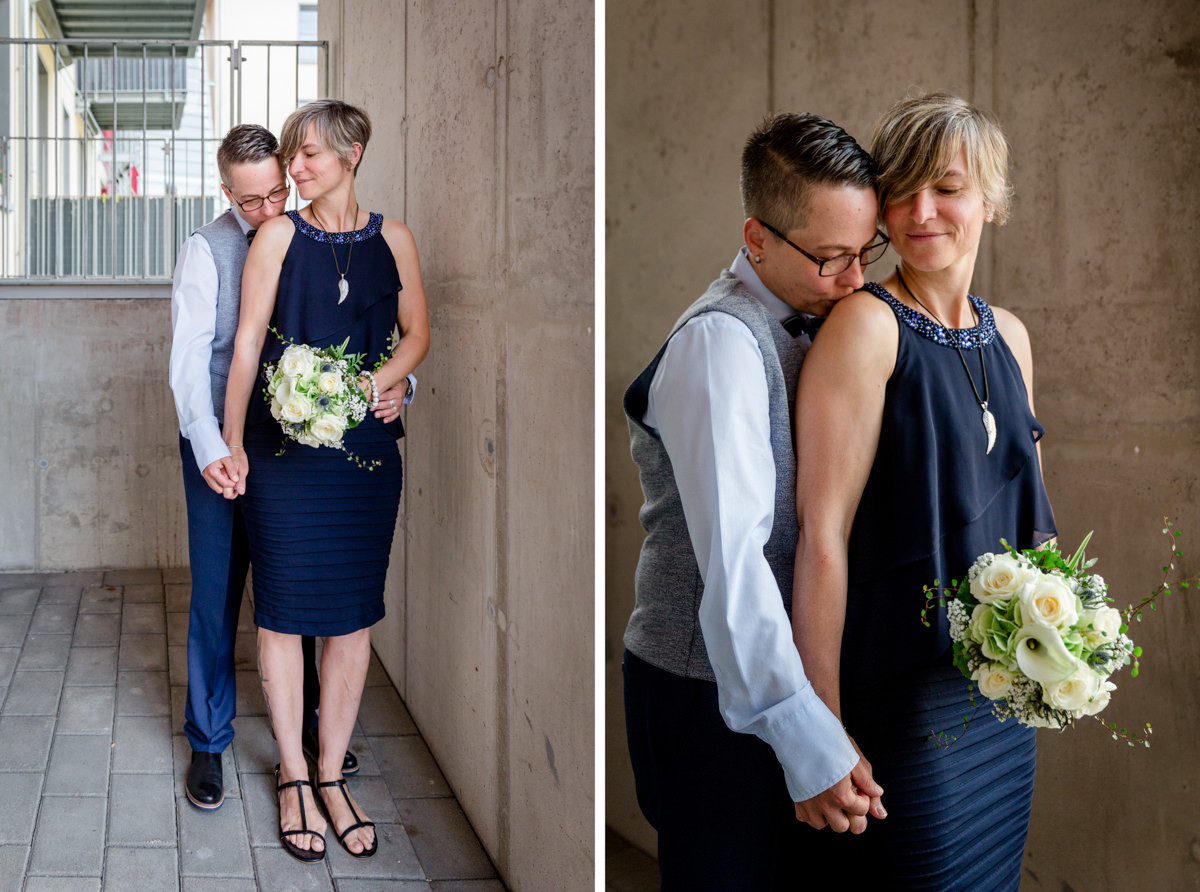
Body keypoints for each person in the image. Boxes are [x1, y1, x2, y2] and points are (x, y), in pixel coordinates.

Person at [791, 92, 1056, 888]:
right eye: (900, 189)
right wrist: (821, 731)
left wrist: (1063, 641)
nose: (920, 210)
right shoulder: (866, 328)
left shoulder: (1008, 334)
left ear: (992, 201)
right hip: (905, 698)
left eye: (947, 186)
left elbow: (1035, 524)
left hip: (1001, 702)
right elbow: (822, 536)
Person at [621, 112, 890, 890]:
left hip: (777, 681)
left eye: (864, 252)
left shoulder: (829, 317)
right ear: (758, 235)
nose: (855, 280)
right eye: (832, 258)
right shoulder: (721, 344)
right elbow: (736, 563)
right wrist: (807, 738)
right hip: (704, 691)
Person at [169, 124, 412, 811]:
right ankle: (210, 741)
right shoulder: (207, 250)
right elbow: (190, 361)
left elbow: (368, 337)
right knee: (218, 595)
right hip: (223, 445)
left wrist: (401, 388)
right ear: (227, 194)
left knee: (293, 591)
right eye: (250, 202)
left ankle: (309, 732)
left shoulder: (322, 236)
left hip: (300, 452)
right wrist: (214, 445)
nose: (269, 208)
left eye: (277, 190)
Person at [221, 100, 429, 863]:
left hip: (365, 460)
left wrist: (384, 380)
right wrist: (234, 440)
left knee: (350, 619)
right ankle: (294, 775)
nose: (294, 169)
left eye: (308, 155)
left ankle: (334, 774)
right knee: (280, 612)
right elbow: (247, 344)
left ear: (354, 152)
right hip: (282, 459)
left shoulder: (395, 238)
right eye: (291, 155)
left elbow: (419, 334)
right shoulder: (276, 235)